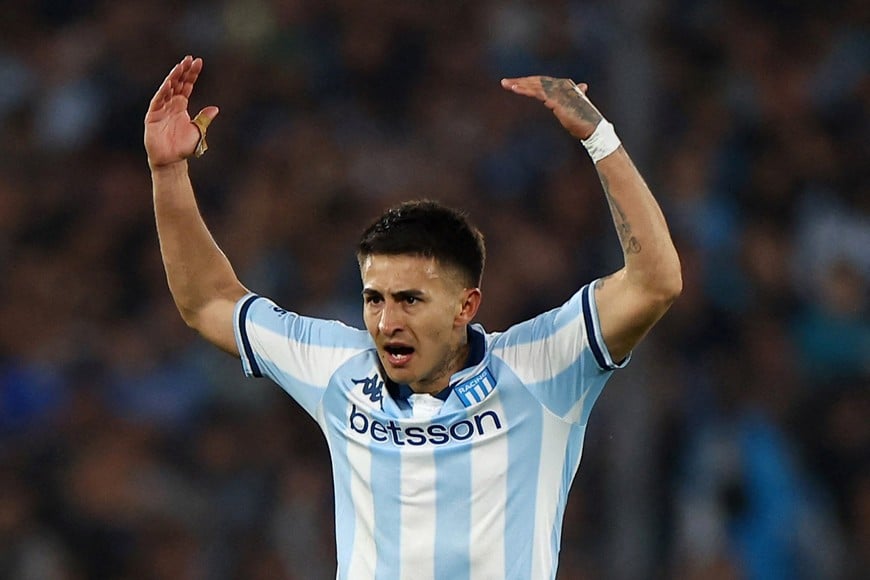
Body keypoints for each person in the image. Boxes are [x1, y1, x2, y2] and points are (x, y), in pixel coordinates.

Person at [144, 55, 682, 579]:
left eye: (410, 300)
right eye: (373, 298)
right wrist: (169, 172)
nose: (386, 321)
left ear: (465, 306)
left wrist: (599, 138)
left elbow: (655, 282)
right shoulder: (339, 367)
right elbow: (209, 302)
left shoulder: (541, 366)